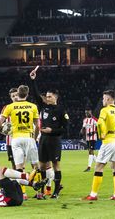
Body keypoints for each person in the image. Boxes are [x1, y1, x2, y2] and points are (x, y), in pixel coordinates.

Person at [84, 90, 115, 201]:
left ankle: (93, 195)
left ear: (109, 99)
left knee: (98, 167)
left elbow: (100, 123)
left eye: (104, 98)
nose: (103, 100)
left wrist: (102, 134)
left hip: (108, 142)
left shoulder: (104, 110)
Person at [29, 66, 69, 199]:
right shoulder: (43, 107)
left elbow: (66, 128)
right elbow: (35, 94)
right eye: (46, 96)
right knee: (41, 165)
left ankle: (56, 191)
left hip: (54, 140)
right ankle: (41, 192)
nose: (47, 98)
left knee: (56, 165)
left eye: (49, 96)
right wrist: (33, 80)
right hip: (43, 140)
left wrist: (52, 130)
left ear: (55, 97)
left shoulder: (61, 110)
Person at [0, 85, 40, 200]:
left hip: (15, 139)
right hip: (25, 138)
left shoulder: (9, 108)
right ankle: (30, 191)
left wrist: (3, 131)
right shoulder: (31, 106)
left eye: (16, 95)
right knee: (30, 166)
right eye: (13, 96)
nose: (15, 97)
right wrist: (35, 138)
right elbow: (37, 125)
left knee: (20, 167)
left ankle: (27, 192)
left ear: (18, 94)